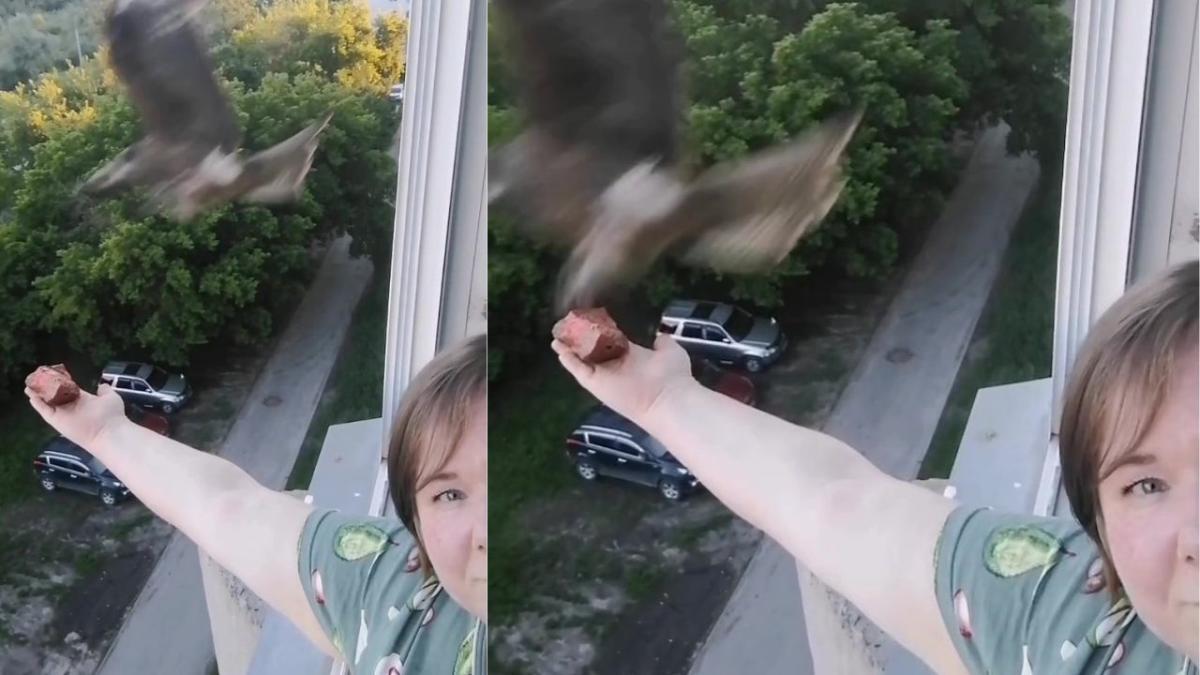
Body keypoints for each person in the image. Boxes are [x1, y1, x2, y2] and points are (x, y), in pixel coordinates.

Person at [552, 260, 1197, 674]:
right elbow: (836, 503)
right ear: (1101, 532)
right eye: (1145, 484)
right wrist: (666, 401)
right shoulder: (1076, 630)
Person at [26, 334, 487, 675]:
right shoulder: (395, 589)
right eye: (449, 494)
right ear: (415, 521)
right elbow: (228, 507)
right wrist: (106, 433)